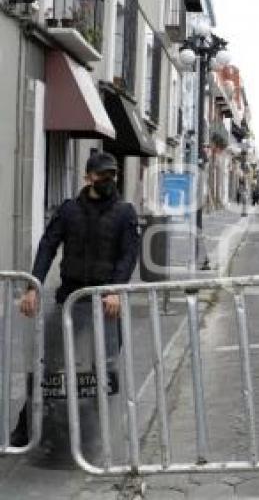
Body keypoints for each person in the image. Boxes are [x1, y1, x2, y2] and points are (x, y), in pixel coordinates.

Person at [13, 152, 140, 448]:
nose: (108, 180)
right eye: (102, 175)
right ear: (88, 177)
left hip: (106, 304)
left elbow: (128, 255)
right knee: (48, 366)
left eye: (112, 175)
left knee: (103, 371)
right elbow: (48, 245)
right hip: (70, 299)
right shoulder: (69, 210)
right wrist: (33, 286)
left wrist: (115, 290)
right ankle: (26, 428)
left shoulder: (125, 212)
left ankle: (95, 436)